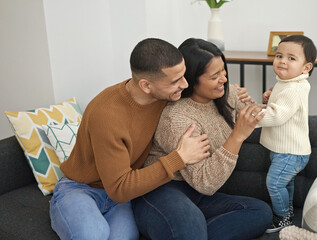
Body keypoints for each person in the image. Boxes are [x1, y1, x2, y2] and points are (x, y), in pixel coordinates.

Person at [49, 38, 213, 240]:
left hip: (121, 198)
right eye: (175, 81)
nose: (185, 84)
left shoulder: (165, 94)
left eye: (183, 75)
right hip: (82, 189)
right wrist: (179, 157)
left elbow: (208, 86)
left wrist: (236, 96)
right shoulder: (107, 115)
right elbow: (119, 188)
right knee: (94, 235)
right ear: (146, 85)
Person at [132, 38, 273, 240]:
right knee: (189, 228)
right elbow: (205, 182)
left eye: (223, 71)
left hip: (197, 195)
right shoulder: (178, 119)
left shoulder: (227, 94)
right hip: (162, 191)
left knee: (260, 212)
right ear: (190, 79)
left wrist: (275, 101)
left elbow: (254, 116)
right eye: (214, 76)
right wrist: (237, 136)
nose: (223, 79)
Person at [258, 35, 317, 233]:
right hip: (285, 149)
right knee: (285, 183)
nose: (283, 61)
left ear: (306, 67)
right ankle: (288, 210)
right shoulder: (287, 83)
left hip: (291, 152)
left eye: (291, 58)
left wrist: (251, 118)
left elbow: (277, 116)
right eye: (279, 55)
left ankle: (282, 217)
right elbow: (280, 101)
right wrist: (268, 96)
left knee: (274, 184)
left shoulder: (294, 88)